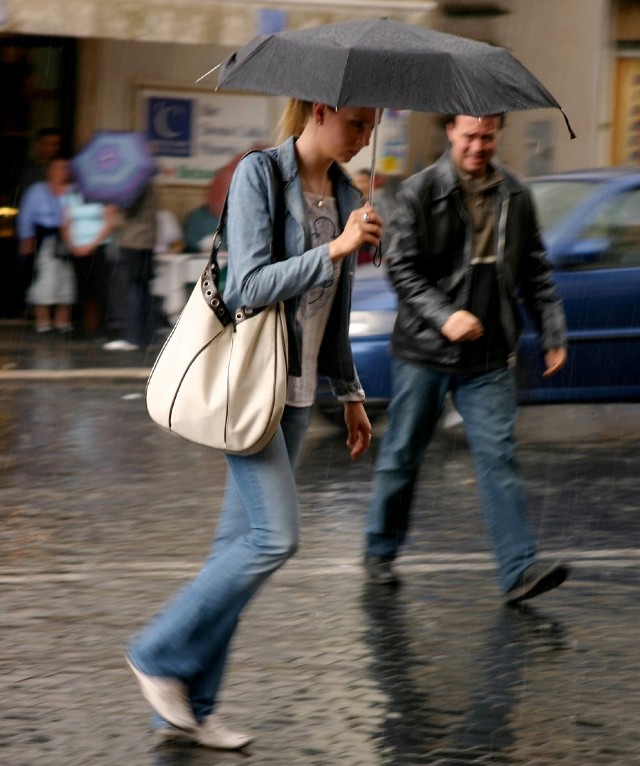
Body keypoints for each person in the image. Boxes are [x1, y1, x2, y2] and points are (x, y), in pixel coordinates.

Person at [125, 99, 381, 749]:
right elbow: (246, 287)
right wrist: (338, 248)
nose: (364, 135)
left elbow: (337, 308)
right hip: (252, 389)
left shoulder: (349, 192)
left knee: (233, 551)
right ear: (319, 111)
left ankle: (189, 710)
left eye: (372, 125)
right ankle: (156, 652)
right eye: (356, 121)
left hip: (297, 397)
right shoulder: (260, 175)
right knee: (274, 539)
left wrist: (347, 392)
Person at [363, 114, 570, 606]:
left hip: (490, 351)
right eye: (470, 136)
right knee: (403, 455)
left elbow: (536, 271)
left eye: (488, 136)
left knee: (499, 456)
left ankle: (519, 570)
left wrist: (552, 332)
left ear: (498, 134)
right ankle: (379, 551)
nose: (479, 146)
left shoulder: (515, 196)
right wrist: (445, 317)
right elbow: (404, 272)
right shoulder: (417, 192)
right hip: (425, 350)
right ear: (450, 133)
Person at [17, 157, 76, 333]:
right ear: (49, 171)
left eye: (65, 168)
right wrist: (26, 239)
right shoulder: (37, 190)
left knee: (66, 279)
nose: (62, 171)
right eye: (57, 168)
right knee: (42, 279)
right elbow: (26, 216)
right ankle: (43, 321)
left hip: (67, 239)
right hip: (43, 239)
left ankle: (62, 321)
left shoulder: (73, 191)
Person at [103, 183, 158, 351]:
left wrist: (113, 212)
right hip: (145, 241)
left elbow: (127, 211)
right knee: (143, 289)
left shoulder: (137, 184)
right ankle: (147, 337)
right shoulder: (147, 182)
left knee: (135, 289)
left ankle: (133, 337)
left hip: (135, 241)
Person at [61, 189, 117, 337]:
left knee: (100, 288)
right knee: (81, 289)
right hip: (76, 248)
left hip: (98, 247)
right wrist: (72, 245)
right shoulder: (71, 196)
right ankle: (80, 327)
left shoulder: (104, 195)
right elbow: (65, 223)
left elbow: (110, 223)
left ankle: (102, 328)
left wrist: (92, 245)